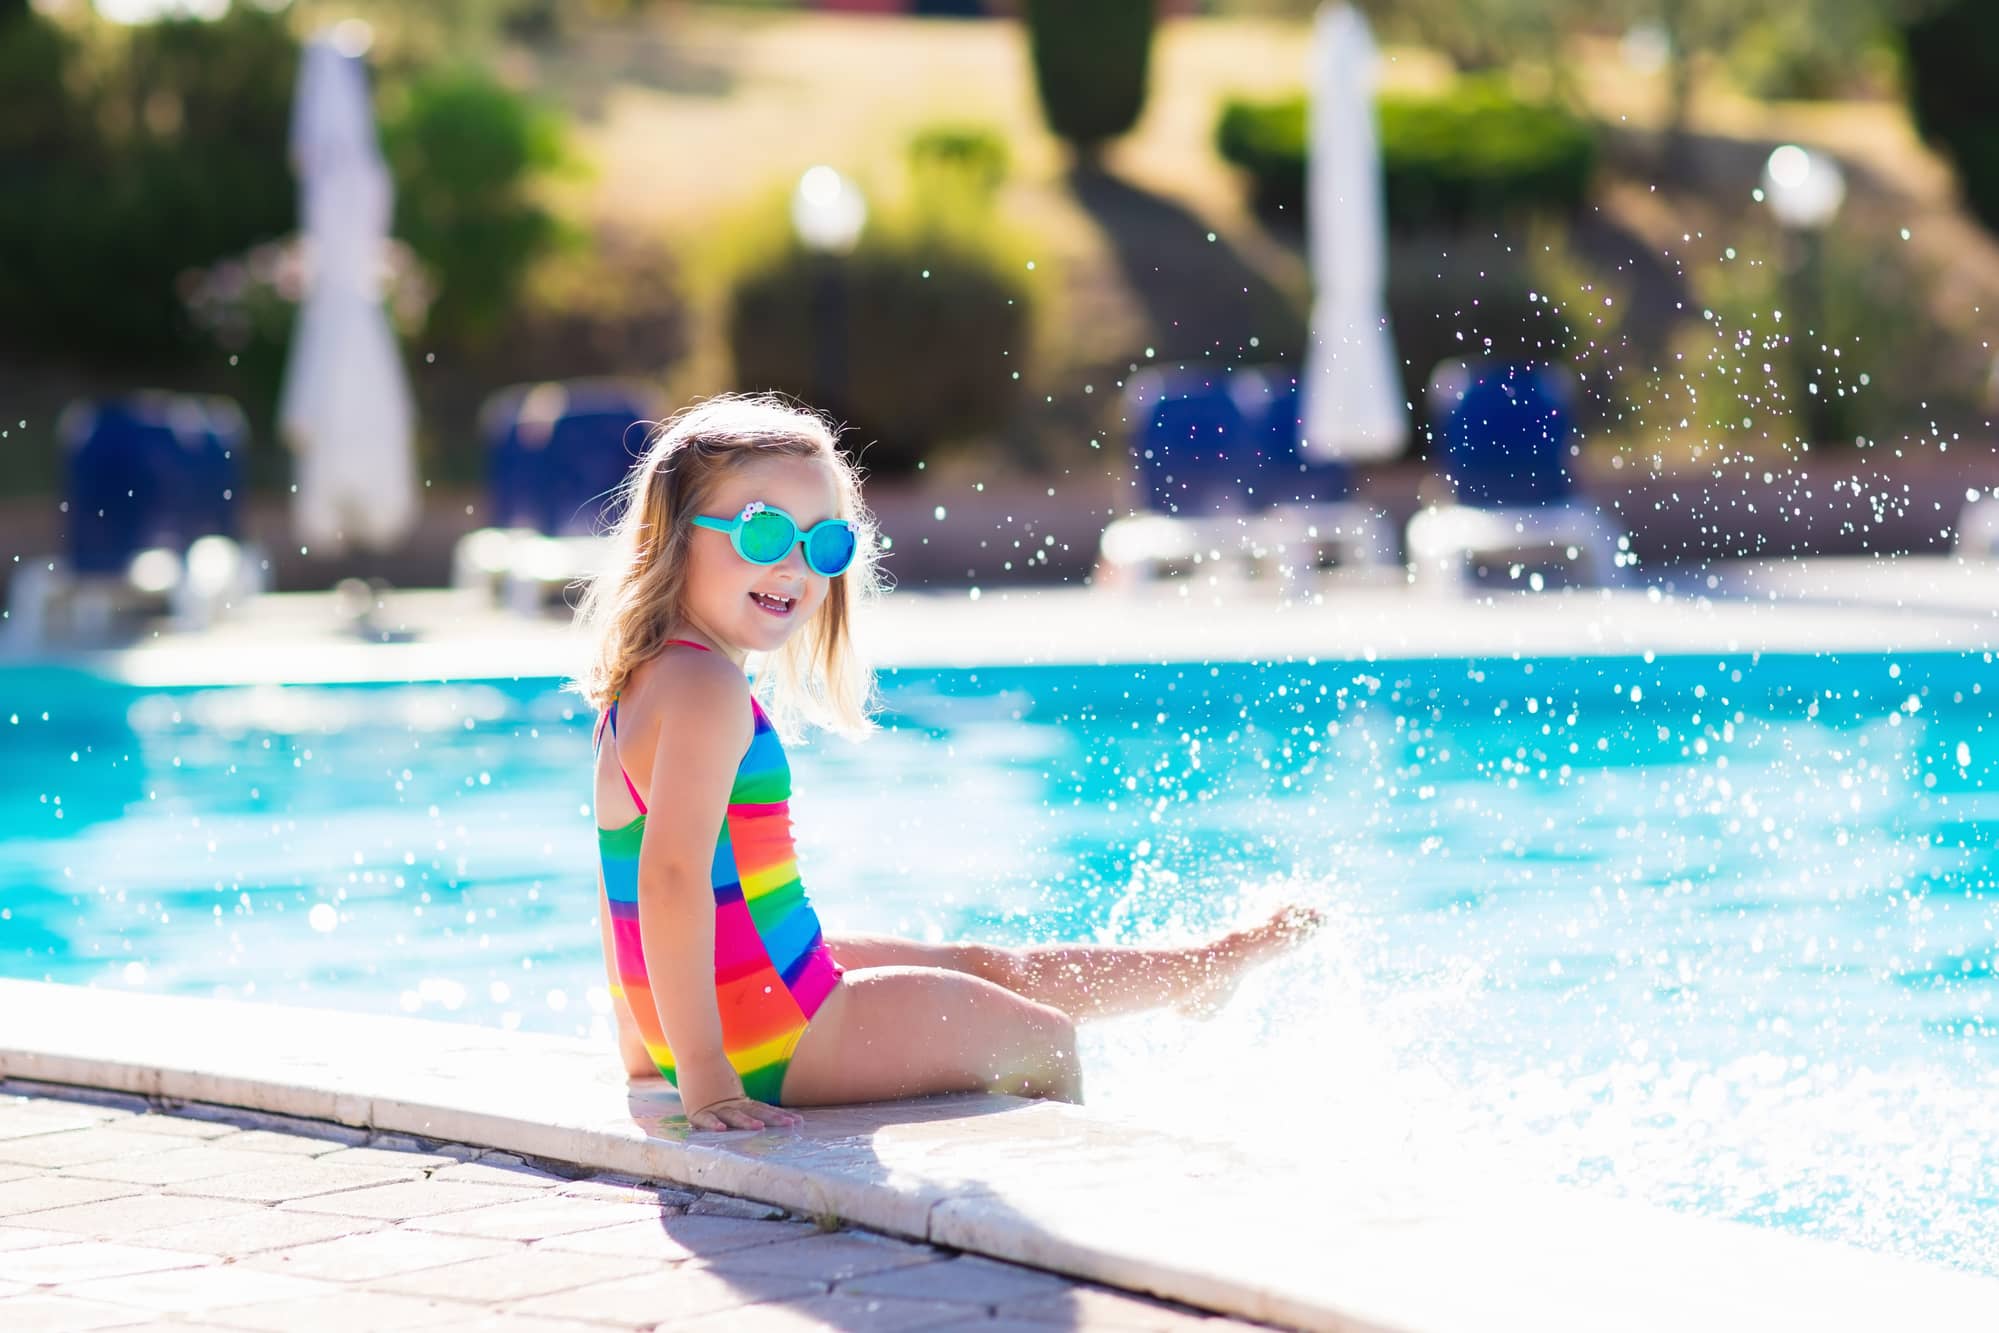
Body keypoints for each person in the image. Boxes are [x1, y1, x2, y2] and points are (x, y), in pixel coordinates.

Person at [568, 392, 1324, 1133]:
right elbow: (666, 878)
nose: (795, 566)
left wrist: (644, 1044)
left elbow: (617, 873)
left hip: (759, 995)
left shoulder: (648, 676)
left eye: (822, 542)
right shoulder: (707, 689)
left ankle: (1201, 965)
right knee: (1043, 1039)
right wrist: (704, 1075)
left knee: (980, 963)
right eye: (763, 534)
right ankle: (1046, 1242)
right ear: (672, 533)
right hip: (775, 1034)